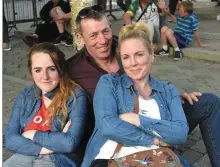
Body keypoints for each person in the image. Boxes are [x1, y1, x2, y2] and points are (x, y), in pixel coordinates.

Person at [67, 5, 220, 167]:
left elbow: (145, 78)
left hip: (148, 115)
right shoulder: (73, 69)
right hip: (114, 131)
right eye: (93, 35)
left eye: (105, 31)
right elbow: (52, 97)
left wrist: (172, 96)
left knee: (208, 102)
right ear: (81, 38)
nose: (102, 40)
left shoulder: (126, 45)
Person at [82, 21, 192, 167]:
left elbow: (179, 134)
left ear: (152, 54)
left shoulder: (167, 90)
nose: (132, 63)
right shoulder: (109, 83)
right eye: (126, 57)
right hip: (111, 160)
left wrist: (136, 119)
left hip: (157, 160)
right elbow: (107, 126)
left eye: (139, 55)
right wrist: (155, 140)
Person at [4, 43, 88, 167]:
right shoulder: (26, 95)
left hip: (58, 159)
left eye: (51, 69)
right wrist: (45, 148)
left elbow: (69, 143)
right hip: (24, 156)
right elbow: (10, 140)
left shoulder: (75, 96)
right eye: (38, 70)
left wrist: (32, 134)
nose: (45, 77)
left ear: (60, 69)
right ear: (31, 71)